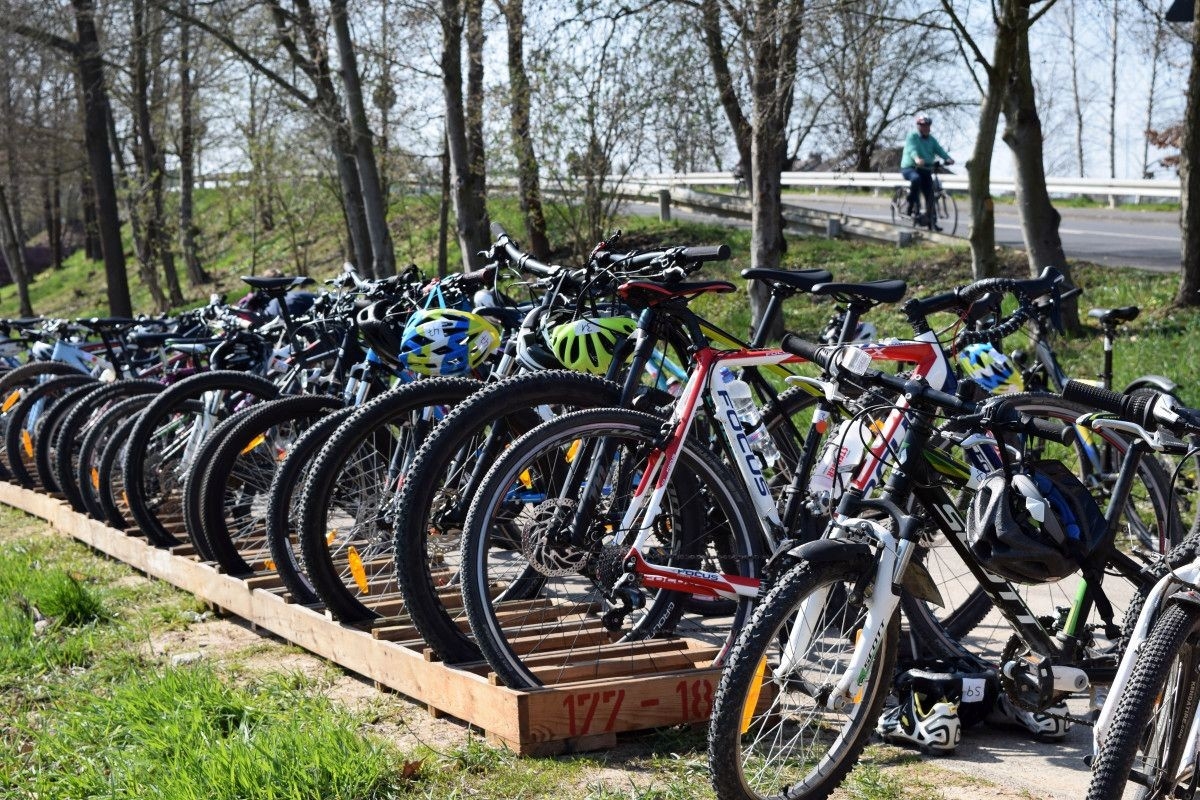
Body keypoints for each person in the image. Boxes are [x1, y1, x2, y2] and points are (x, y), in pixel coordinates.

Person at [901, 114, 954, 231]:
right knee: (916, 179)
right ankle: (910, 204)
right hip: (910, 168)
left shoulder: (931, 140)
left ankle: (932, 222)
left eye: (928, 126)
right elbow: (912, 149)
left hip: (925, 169)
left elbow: (939, 150)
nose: (926, 128)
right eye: (923, 125)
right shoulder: (912, 136)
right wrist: (916, 158)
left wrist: (947, 158)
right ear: (918, 126)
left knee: (930, 195)